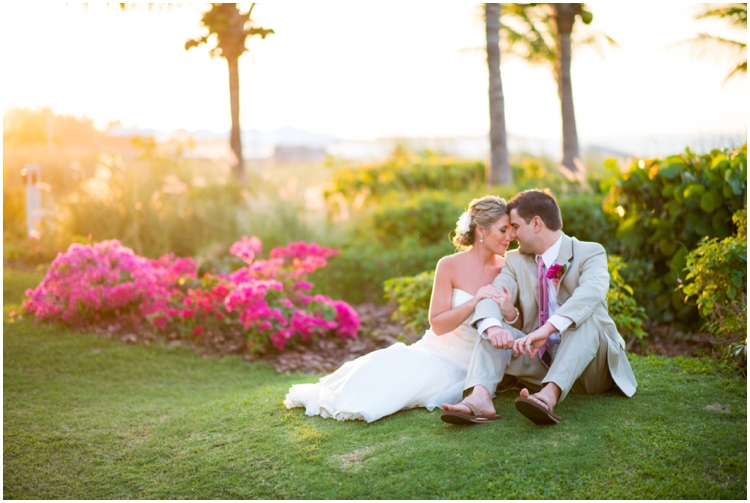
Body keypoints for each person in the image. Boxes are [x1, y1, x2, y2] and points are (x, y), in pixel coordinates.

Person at [283, 195, 518, 422]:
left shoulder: (508, 269)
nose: (510, 236)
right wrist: (473, 301)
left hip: (475, 363)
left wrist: (509, 313)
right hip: (437, 351)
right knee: (387, 375)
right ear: (481, 230)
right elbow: (437, 324)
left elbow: (518, 325)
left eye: (511, 229)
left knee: (411, 381)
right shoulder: (448, 265)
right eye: (503, 230)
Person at [441, 189, 637, 425]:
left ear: (536, 224)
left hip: (592, 369)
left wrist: (547, 330)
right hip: (540, 363)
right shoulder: (515, 261)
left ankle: (548, 396)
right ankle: (480, 398)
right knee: (492, 328)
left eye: (514, 226)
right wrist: (494, 328)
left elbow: (592, 293)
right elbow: (492, 294)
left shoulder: (590, 252)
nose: (511, 235)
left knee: (588, 317)